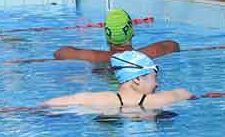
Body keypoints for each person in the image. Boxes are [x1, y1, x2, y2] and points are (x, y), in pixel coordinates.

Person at [44, 50, 192, 111]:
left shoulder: (100, 100)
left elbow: (50, 104)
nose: (157, 84)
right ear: (137, 79)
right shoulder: (159, 100)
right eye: (154, 77)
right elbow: (185, 93)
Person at [54, 8, 179, 62]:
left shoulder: (98, 57)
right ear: (132, 32)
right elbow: (173, 45)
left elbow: (60, 53)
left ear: (107, 36)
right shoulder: (145, 55)